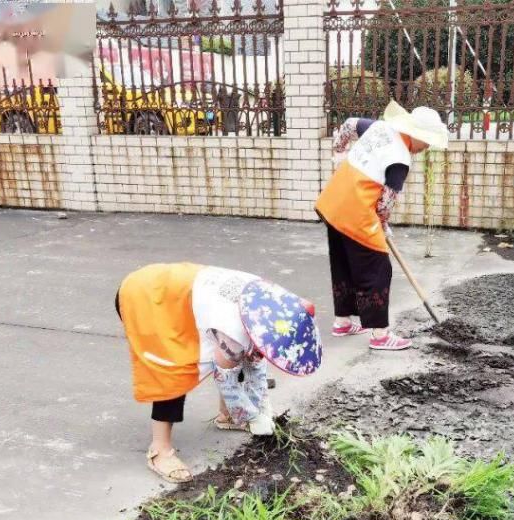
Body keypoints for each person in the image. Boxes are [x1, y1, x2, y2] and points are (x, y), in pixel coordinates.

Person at [115, 263, 321, 483]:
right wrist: (249, 414)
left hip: (180, 290)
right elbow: (226, 376)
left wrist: (255, 400)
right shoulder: (234, 331)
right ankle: (160, 451)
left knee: (239, 355)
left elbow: (249, 361)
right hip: (149, 297)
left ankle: (227, 416)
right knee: (175, 369)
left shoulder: (270, 305)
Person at [316, 101, 449, 350]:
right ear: (415, 134)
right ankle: (380, 335)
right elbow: (385, 203)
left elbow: (348, 125)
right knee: (378, 267)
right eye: (427, 141)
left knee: (344, 262)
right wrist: (382, 224)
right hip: (356, 213)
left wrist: (339, 155)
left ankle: (342, 322)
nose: (426, 147)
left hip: (333, 203)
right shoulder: (400, 159)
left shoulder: (378, 128)